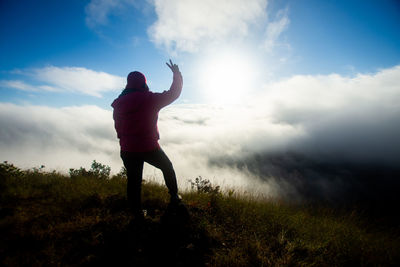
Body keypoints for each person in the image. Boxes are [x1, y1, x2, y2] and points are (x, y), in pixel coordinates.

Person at [111, 60, 183, 219]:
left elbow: (118, 126)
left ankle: (136, 213)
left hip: (128, 149)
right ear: (144, 83)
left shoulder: (119, 103)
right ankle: (174, 197)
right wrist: (176, 74)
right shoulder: (149, 99)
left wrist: (124, 140)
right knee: (167, 167)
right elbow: (174, 94)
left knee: (133, 181)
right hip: (149, 147)